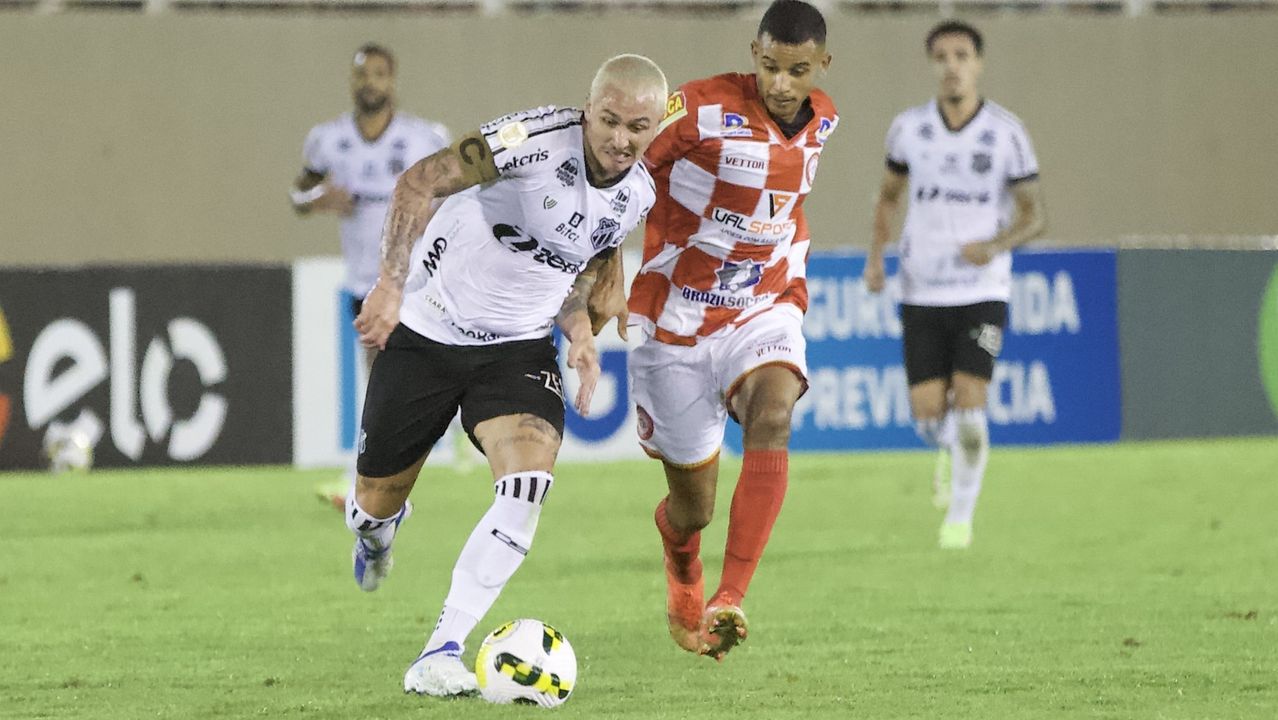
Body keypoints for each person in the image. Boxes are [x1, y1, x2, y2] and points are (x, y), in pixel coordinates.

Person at [347, 54, 668, 697]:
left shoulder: (638, 196)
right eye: (608, 120)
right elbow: (417, 182)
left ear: (655, 127)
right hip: (427, 334)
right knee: (372, 507)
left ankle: (442, 649)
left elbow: (576, 264)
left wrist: (578, 331)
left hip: (517, 351)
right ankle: (377, 534)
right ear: (588, 109)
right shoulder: (527, 141)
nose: (620, 139)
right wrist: (388, 283)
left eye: (638, 126)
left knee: (526, 486)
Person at [591, 0, 836, 661]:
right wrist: (609, 269)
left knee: (773, 412)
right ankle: (683, 565)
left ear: (821, 66)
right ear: (753, 54)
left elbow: (786, 204)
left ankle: (730, 598)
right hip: (675, 321)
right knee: (692, 509)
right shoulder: (695, 110)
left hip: (763, 304)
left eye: (798, 70)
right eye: (770, 67)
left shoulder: (825, 121)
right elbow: (615, 174)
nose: (782, 84)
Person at [862, 20, 1047, 550]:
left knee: (970, 402)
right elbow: (889, 198)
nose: (952, 66)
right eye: (942, 56)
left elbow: (1036, 215)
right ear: (932, 65)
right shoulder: (908, 130)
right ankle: (950, 452)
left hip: (982, 287)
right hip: (922, 288)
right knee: (928, 415)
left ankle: (959, 519)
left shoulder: (1007, 133)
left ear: (978, 63)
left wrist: (996, 245)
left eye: (962, 55)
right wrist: (876, 259)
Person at [290, 43, 464, 510]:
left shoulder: (423, 137)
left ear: (393, 80)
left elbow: (456, 194)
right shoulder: (327, 140)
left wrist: (435, 215)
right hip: (364, 282)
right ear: (352, 81)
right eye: (363, 74)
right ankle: (382, 479)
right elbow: (298, 193)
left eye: (380, 74)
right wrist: (321, 197)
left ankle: (367, 483)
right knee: (385, 380)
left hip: (418, 280)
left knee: (391, 379)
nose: (371, 82)